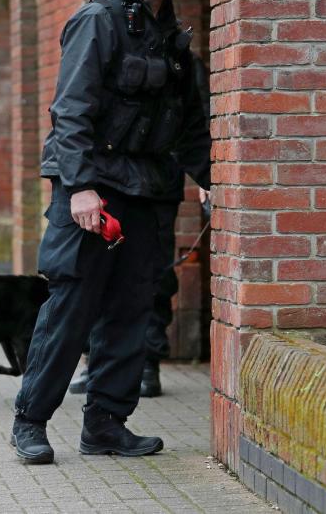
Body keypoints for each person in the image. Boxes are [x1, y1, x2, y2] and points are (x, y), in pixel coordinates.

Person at [10, 0, 211, 463]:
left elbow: (190, 126)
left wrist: (217, 182)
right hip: (94, 190)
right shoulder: (98, 21)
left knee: (132, 308)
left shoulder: (173, 39)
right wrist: (78, 187)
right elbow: (70, 109)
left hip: (149, 192)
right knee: (73, 305)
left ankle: (105, 425)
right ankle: (30, 421)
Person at [68, 59, 211, 399]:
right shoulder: (108, 44)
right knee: (99, 272)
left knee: (153, 274)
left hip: (158, 184)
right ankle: (97, 361)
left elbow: (198, 121)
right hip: (110, 182)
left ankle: (147, 362)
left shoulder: (182, 59)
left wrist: (208, 175)